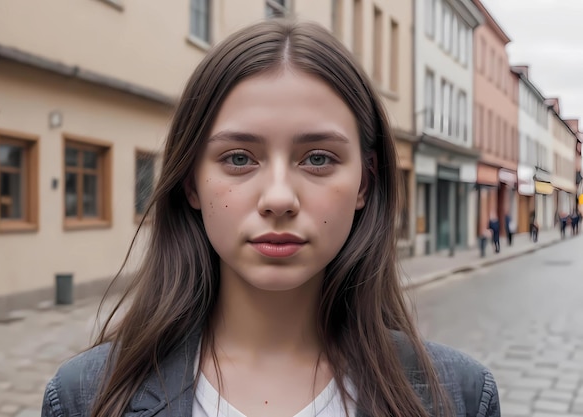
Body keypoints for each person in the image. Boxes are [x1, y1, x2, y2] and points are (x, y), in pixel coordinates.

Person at [41, 20, 499, 417]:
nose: (278, 198)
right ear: (191, 183)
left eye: (318, 159)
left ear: (364, 183)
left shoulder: (460, 397)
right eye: (239, 158)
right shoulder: (85, 396)